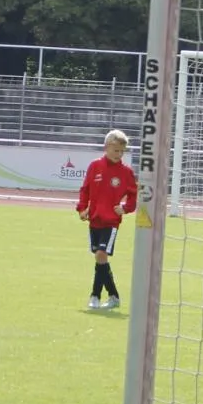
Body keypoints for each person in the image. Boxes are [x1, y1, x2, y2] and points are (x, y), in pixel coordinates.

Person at [76, 129, 137, 309]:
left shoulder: (126, 172)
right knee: (100, 258)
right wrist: (82, 208)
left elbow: (133, 196)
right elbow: (85, 189)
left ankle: (95, 296)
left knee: (101, 254)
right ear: (107, 147)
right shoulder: (95, 166)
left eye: (122, 151)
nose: (119, 154)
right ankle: (114, 296)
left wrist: (125, 208)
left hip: (111, 222)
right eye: (116, 150)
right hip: (94, 220)